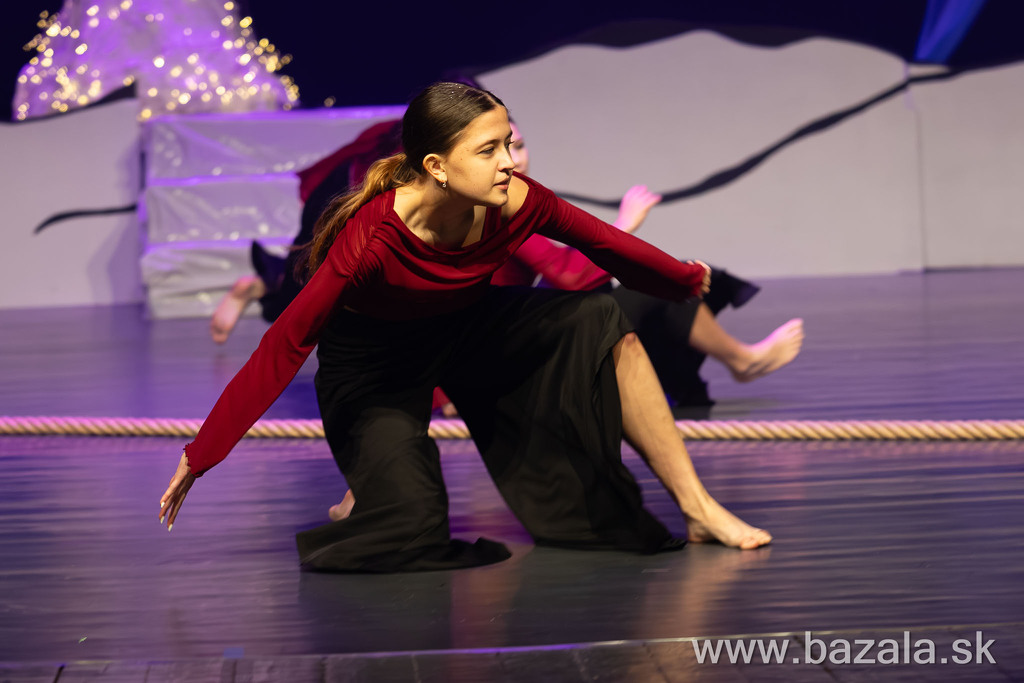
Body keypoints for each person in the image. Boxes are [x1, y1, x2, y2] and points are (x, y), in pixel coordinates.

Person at [160, 82, 771, 573]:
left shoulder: (516, 199)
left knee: (598, 316)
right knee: (411, 527)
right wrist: (202, 453)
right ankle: (371, 491)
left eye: (509, 144)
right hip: (376, 366)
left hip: (467, 329)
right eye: (489, 151)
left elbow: (602, 242)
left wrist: (683, 279)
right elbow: (285, 343)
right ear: (437, 166)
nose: (509, 162)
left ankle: (698, 507)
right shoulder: (372, 237)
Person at [495, 122, 804, 411]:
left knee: (629, 286)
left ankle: (680, 381)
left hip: (518, 343)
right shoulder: (497, 207)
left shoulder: (514, 201)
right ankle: (742, 361)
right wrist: (624, 225)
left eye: (519, 146)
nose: (515, 160)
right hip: (508, 361)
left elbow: (563, 267)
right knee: (654, 286)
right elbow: (569, 275)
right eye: (496, 149)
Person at [210, 119, 403, 343]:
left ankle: (266, 282)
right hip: (355, 189)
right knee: (301, 295)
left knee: (308, 276)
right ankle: (266, 286)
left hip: (346, 183)